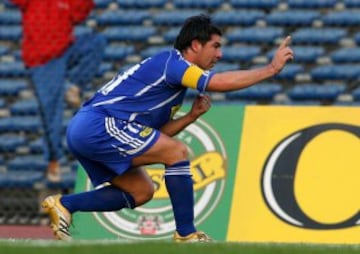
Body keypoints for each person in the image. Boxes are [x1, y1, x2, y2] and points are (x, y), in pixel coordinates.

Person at [41, 14, 293, 242]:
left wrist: (191, 117)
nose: (220, 55)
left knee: (141, 191)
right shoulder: (175, 64)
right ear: (195, 45)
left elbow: (155, 139)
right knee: (177, 152)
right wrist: (270, 69)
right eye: (215, 46)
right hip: (98, 125)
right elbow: (215, 83)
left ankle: (65, 204)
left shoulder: (171, 79)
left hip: (88, 128)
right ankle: (186, 233)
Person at [11, 0, 106, 182]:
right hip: (42, 62)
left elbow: (80, 13)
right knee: (51, 113)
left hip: (65, 50)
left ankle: (75, 86)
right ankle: (53, 160)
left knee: (96, 42)